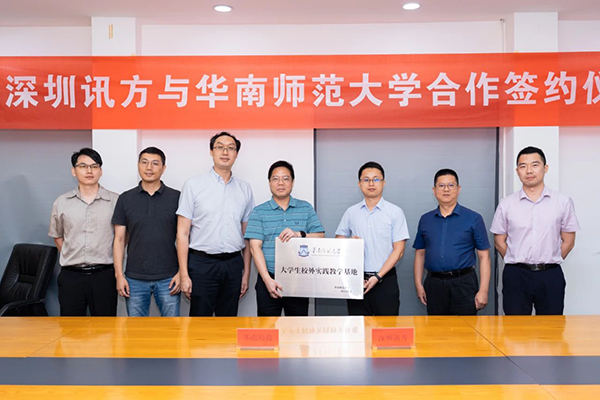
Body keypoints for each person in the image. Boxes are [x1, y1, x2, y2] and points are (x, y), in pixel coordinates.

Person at [491, 146, 580, 315]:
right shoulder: (506, 204)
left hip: (550, 275)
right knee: (515, 327)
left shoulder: (562, 202)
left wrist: (550, 260)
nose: (529, 171)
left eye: (535, 165)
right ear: (517, 171)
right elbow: (499, 242)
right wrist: (517, 260)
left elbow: (568, 242)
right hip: (516, 275)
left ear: (545, 168)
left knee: (551, 327)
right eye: (523, 166)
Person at [176, 132, 254, 316]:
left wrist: (246, 274)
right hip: (201, 264)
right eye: (220, 147)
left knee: (228, 322)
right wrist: (184, 274)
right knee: (200, 322)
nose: (225, 152)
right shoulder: (193, 185)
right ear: (211, 151)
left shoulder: (245, 189)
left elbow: (247, 236)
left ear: (236, 154)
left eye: (230, 148)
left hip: (233, 264)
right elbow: (182, 234)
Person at [245, 160, 325, 316]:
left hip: (299, 279)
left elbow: (320, 236)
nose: (280, 183)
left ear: (292, 182)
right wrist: (267, 280)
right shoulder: (258, 212)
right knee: (267, 328)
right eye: (275, 179)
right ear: (269, 182)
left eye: (285, 178)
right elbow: (255, 248)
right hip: (268, 277)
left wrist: (299, 234)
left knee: (297, 328)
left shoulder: (306, 208)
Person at [48, 148, 119, 316]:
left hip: (104, 276)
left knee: (105, 327)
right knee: (71, 328)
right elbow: (57, 236)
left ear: (100, 171)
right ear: (74, 171)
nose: (89, 171)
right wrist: (73, 255)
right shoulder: (61, 202)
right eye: (83, 166)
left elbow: (122, 238)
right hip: (71, 277)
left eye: (94, 166)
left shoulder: (115, 201)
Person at [112, 147, 181, 317]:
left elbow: (185, 237)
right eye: (144, 162)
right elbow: (119, 239)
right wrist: (119, 275)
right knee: (136, 330)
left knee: (172, 329)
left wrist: (182, 273)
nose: (149, 167)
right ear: (138, 165)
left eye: (155, 163)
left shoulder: (177, 197)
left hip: (169, 277)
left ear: (163, 168)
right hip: (134, 278)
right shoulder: (125, 198)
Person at [413, 169, 491, 315]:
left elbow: (484, 256)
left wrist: (484, 290)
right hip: (434, 284)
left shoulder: (474, 218)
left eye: (451, 185)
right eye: (441, 186)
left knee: (465, 327)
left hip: (464, 283)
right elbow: (420, 254)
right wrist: (418, 285)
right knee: (436, 327)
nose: (446, 189)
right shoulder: (425, 220)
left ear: (458, 189)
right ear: (434, 190)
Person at [335, 161, 409, 316]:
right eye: (366, 180)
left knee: (387, 329)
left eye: (376, 179)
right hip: (357, 281)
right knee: (358, 328)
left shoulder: (395, 212)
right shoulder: (351, 212)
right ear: (359, 184)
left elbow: (399, 250)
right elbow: (339, 240)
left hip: (385, 281)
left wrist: (377, 276)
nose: (371, 184)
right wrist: (348, 242)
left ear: (383, 183)